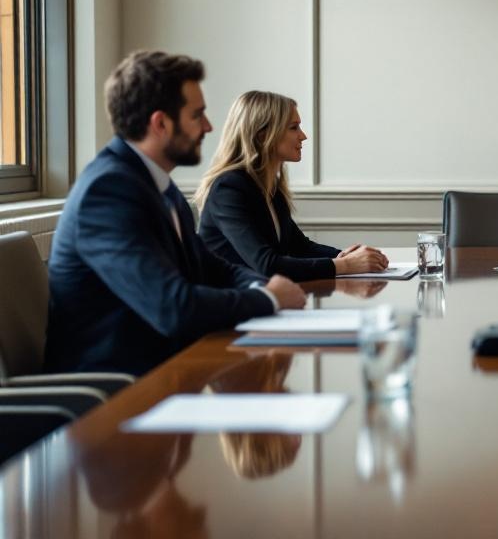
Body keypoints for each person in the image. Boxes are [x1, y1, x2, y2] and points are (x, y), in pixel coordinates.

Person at [46, 51, 307, 375]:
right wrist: (268, 299)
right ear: (161, 124)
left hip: (167, 373)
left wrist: (262, 286)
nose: (209, 127)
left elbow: (215, 269)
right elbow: (173, 308)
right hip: (115, 394)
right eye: (197, 115)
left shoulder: (158, 186)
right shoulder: (107, 193)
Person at [194, 91, 388, 281]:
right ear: (263, 135)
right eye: (294, 127)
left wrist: (347, 256)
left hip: (264, 299)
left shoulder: (270, 186)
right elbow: (267, 265)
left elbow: (301, 248)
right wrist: (347, 265)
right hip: (232, 307)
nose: (303, 136)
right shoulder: (228, 189)